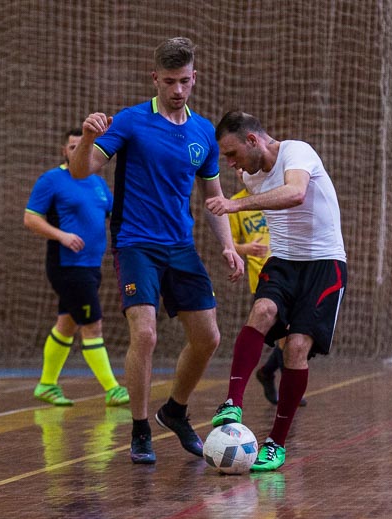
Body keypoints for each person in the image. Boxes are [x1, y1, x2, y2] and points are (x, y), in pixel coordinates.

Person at [68, 37, 244, 465]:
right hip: (135, 244)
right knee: (145, 334)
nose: (177, 90)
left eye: (184, 81)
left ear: (194, 78)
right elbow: (81, 171)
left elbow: (213, 197)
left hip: (180, 246)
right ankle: (141, 429)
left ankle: (175, 411)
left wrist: (228, 245)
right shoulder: (130, 121)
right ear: (155, 79)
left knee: (208, 338)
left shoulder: (203, 132)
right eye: (169, 82)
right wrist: (89, 138)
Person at [206, 111, 347, 471]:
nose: (231, 163)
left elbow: (295, 193)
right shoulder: (249, 174)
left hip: (324, 263)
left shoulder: (297, 151)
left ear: (253, 140)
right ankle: (232, 402)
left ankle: (276, 443)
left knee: (296, 348)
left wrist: (236, 204)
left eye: (233, 153)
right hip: (282, 260)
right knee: (263, 311)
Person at [24, 128, 129, 408]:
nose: (77, 151)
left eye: (83, 146)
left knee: (67, 324)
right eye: (72, 147)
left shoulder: (97, 183)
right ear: (65, 151)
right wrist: (62, 236)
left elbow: (115, 215)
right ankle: (113, 388)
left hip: (91, 266)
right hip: (68, 266)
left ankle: (47, 384)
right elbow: (30, 218)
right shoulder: (52, 180)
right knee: (92, 325)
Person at [228, 175, 307, 407]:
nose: (243, 173)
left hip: (290, 272)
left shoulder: (277, 195)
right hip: (264, 278)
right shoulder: (237, 204)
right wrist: (246, 248)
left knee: (291, 334)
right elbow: (229, 244)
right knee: (285, 335)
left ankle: (267, 372)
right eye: (239, 169)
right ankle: (287, 389)